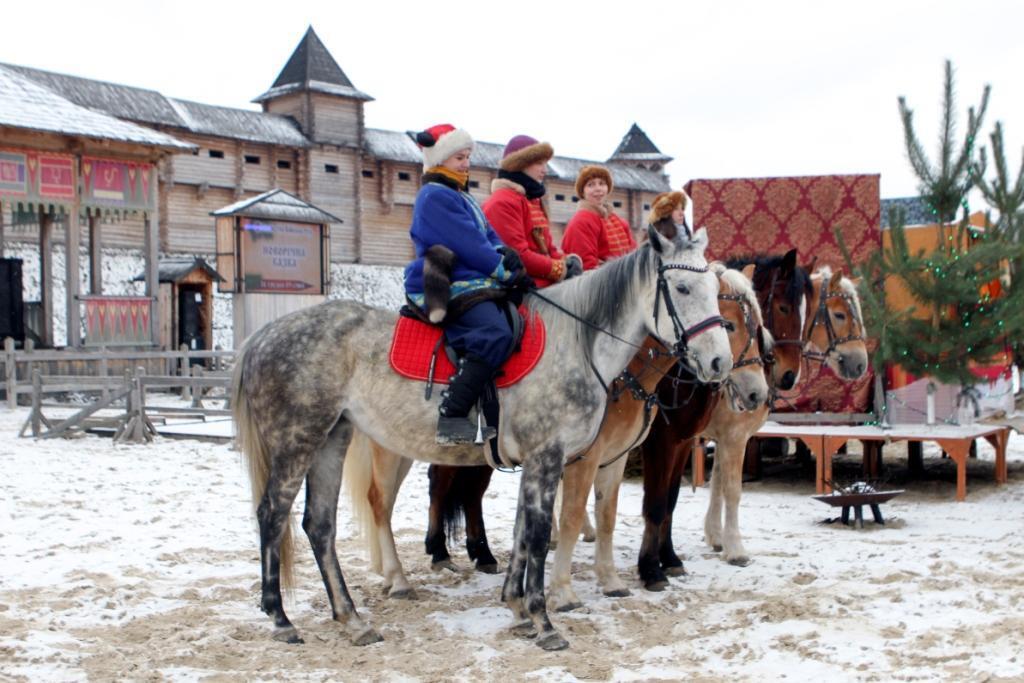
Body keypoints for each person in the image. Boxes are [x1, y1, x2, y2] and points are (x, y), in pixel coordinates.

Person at [403, 123, 528, 446]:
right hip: (445, 279)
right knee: (494, 332)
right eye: (459, 157)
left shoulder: (459, 193)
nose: (466, 163)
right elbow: (468, 244)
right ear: (441, 159)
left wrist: (508, 255)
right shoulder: (434, 196)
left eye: (468, 156)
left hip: (472, 275)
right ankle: (453, 413)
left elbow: (487, 237)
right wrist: (503, 272)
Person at [483, 135, 582, 287]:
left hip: (544, 281)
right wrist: (559, 269)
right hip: (520, 286)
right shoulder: (502, 202)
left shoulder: (532, 199)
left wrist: (566, 261)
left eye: (545, 163)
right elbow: (519, 255)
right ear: (520, 164)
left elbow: (548, 248)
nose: (545, 170)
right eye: (539, 163)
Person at [561, 165, 637, 270]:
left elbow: (634, 256)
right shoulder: (580, 222)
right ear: (582, 192)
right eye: (590, 185)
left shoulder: (619, 221)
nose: (598, 189)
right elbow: (586, 265)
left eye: (602, 183)